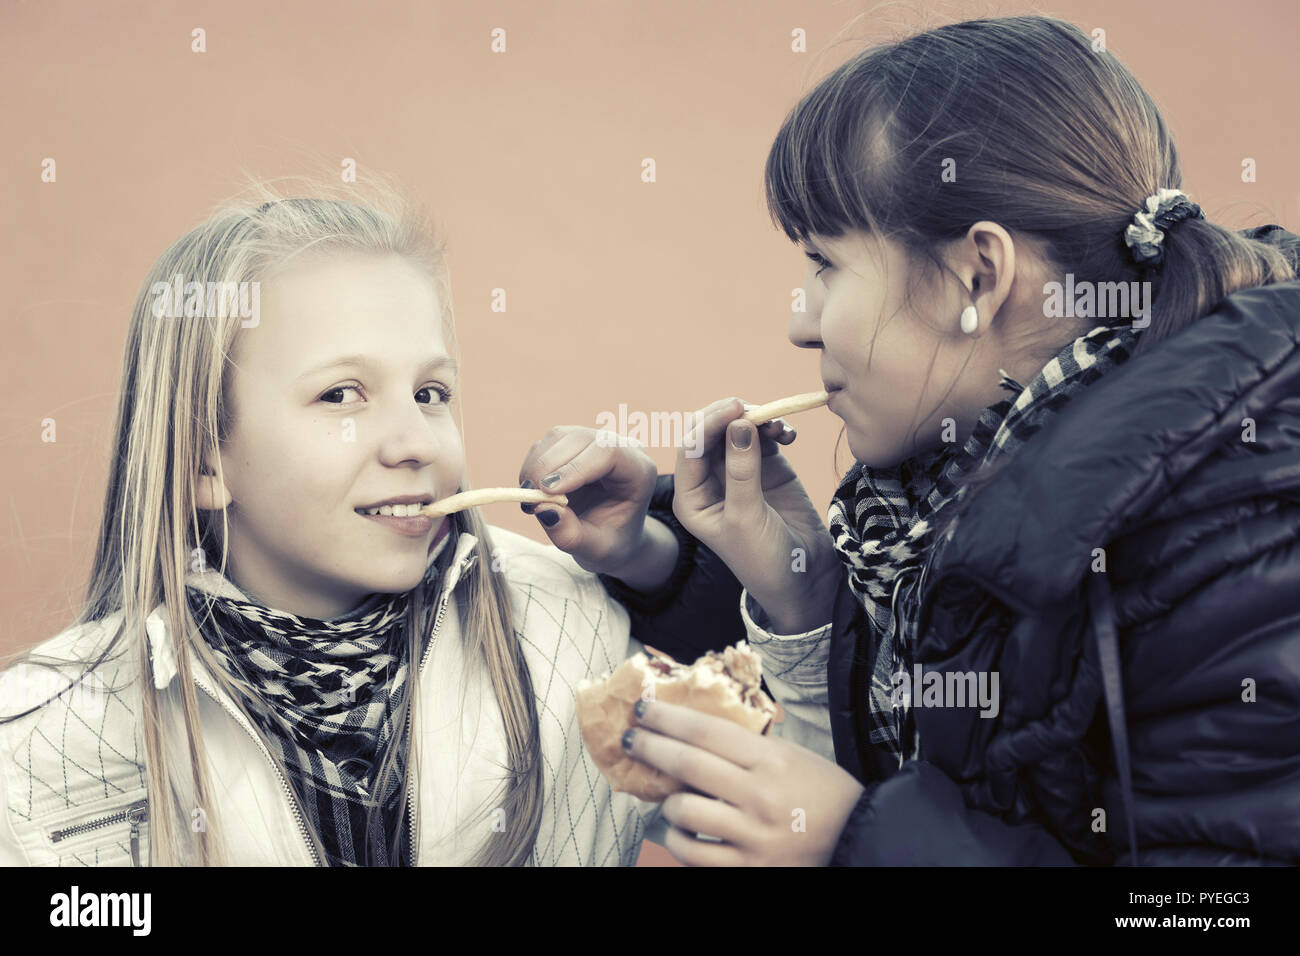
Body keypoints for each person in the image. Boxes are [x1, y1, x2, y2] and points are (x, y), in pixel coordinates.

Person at [523, 15, 1300, 864]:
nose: (801, 324)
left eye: (825, 264)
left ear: (978, 275)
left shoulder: (1238, 529)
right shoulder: (945, 501)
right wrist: (795, 594)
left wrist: (855, 843)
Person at [0, 181, 791, 866]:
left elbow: (824, 794)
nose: (416, 443)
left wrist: (658, 559)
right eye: (341, 396)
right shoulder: (40, 748)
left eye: (431, 392)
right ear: (206, 459)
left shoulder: (570, 629)